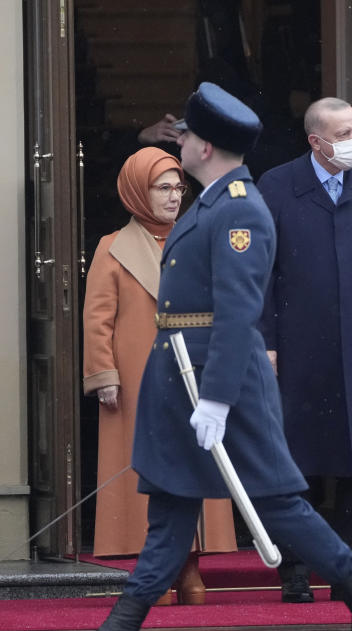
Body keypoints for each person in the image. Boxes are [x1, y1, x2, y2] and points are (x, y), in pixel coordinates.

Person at [42, 82, 352, 631]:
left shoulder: (238, 208)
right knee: (171, 507)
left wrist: (214, 400)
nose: (179, 141)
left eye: (186, 134)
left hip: (220, 386)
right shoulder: (214, 201)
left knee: (280, 504)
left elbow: (239, 313)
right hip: (185, 378)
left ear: (205, 146)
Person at [258, 97, 352, 603]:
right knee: (298, 466)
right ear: (315, 142)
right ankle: (295, 570)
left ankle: (349, 571)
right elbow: (263, 274)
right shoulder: (276, 186)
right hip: (297, 351)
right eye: (344, 133)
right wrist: (267, 343)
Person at [82, 146, 236, 605]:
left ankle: (190, 569)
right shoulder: (112, 248)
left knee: (194, 470)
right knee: (146, 477)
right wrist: (103, 374)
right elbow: (97, 320)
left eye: (177, 188)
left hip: (194, 377)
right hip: (136, 380)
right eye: (162, 188)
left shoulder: (200, 235)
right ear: (136, 191)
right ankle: (156, 572)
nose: (173, 197)